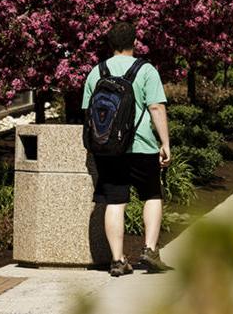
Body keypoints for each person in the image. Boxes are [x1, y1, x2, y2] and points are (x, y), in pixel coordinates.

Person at [82, 21, 171, 276]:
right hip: (141, 145)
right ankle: (149, 250)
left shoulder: (96, 72)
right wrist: (164, 143)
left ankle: (118, 260)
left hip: (108, 148)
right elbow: (156, 108)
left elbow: (88, 113)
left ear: (110, 44)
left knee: (114, 201)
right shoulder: (146, 70)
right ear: (135, 41)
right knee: (152, 195)